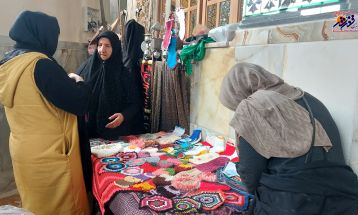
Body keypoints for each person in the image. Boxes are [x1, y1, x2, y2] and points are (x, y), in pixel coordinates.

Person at [219, 63, 358, 215]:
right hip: (344, 195)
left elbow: (250, 176)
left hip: (296, 202)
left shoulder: (251, 106)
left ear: (236, 94)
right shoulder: (307, 97)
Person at [0, 11, 91, 214]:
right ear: (43, 34)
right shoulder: (39, 65)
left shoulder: (7, 63)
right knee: (64, 205)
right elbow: (78, 102)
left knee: (36, 203)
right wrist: (79, 82)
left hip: (23, 149)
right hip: (52, 152)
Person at [77, 31, 144, 140]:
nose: (102, 50)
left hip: (116, 132)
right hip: (90, 131)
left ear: (115, 48)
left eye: (107, 46)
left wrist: (123, 116)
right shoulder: (88, 67)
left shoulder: (125, 74)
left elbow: (135, 103)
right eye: (100, 45)